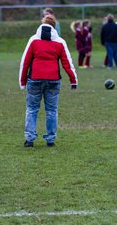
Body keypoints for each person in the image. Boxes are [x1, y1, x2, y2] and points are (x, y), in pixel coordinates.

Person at [19, 15, 78, 147]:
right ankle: (50, 139)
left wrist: (22, 81)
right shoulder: (60, 42)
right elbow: (67, 62)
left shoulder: (33, 40)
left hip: (35, 79)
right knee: (51, 110)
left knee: (32, 109)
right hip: (53, 80)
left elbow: (25, 62)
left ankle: (29, 139)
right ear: (54, 25)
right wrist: (73, 80)